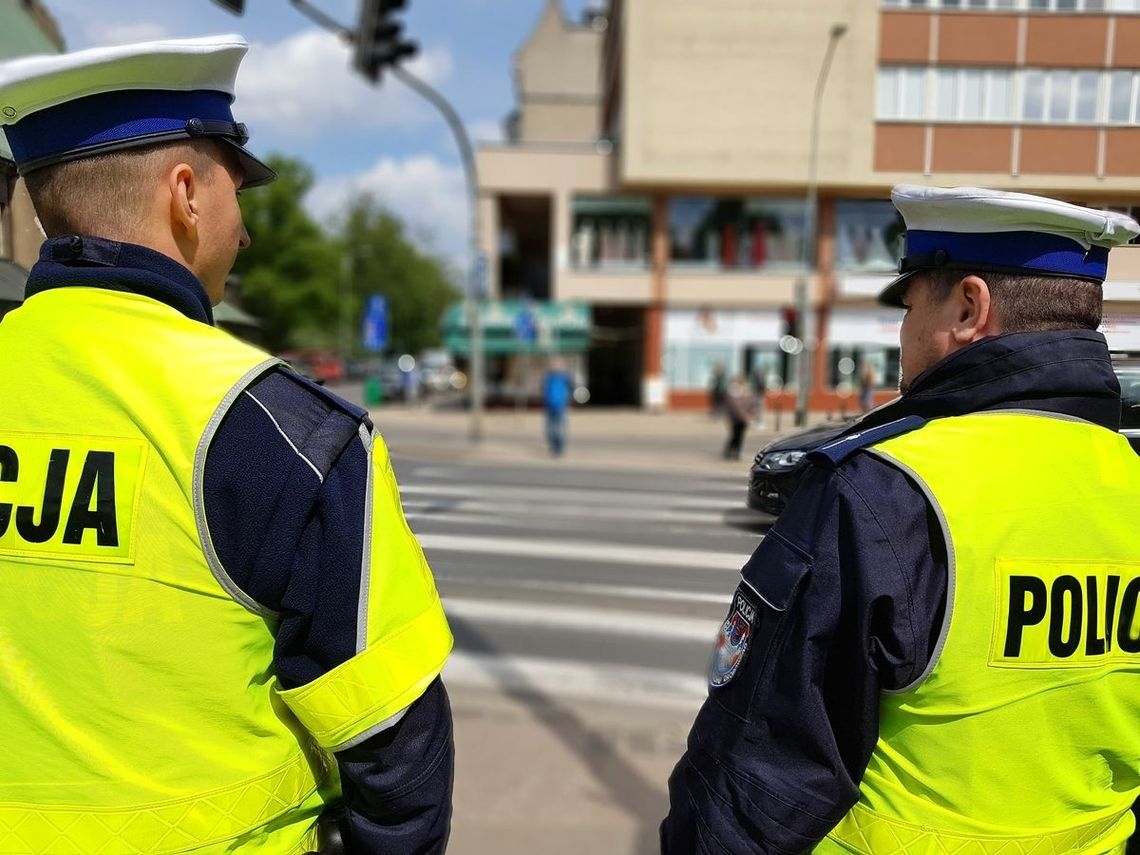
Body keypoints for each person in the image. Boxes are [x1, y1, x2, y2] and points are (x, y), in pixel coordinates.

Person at [0, 36, 453, 854]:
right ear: (186, 195)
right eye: (235, 186)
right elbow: (398, 760)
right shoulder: (282, 431)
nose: (244, 230)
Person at [661, 185, 1140, 852]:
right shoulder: (1131, 480)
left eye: (912, 306)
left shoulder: (882, 491)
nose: (902, 333)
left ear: (970, 307)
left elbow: (758, 778)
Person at [543, 357, 573, 456]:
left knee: (560, 429)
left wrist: (568, 401)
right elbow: (544, 390)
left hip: (561, 406)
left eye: (557, 364)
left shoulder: (564, 377)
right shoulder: (548, 377)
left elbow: (571, 389)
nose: (555, 366)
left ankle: (559, 448)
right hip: (549, 406)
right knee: (549, 429)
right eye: (553, 364)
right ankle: (553, 446)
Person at [722, 374, 754, 460]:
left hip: (744, 418)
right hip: (735, 418)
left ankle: (737, 452)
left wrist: (749, 414)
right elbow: (734, 407)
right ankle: (729, 451)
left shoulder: (746, 391)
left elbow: (751, 403)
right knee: (735, 435)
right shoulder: (732, 391)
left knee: (740, 436)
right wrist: (743, 415)